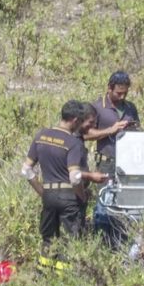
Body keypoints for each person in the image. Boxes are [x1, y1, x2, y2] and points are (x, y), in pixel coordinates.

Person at [22, 100, 107, 260]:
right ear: (75, 120)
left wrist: (43, 192)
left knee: (48, 241)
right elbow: (74, 177)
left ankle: (44, 276)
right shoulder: (72, 142)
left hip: (48, 195)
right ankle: (65, 278)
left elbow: (26, 170)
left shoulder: (41, 135)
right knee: (70, 243)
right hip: (69, 197)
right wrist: (81, 197)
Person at [83, 71, 140, 176]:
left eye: (125, 93)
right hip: (107, 164)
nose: (122, 97)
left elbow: (139, 129)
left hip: (129, 163)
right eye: (118, 93)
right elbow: (85, 135)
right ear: (109, 88)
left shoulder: (131, 107)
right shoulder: (97, 107)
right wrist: (110, 130)